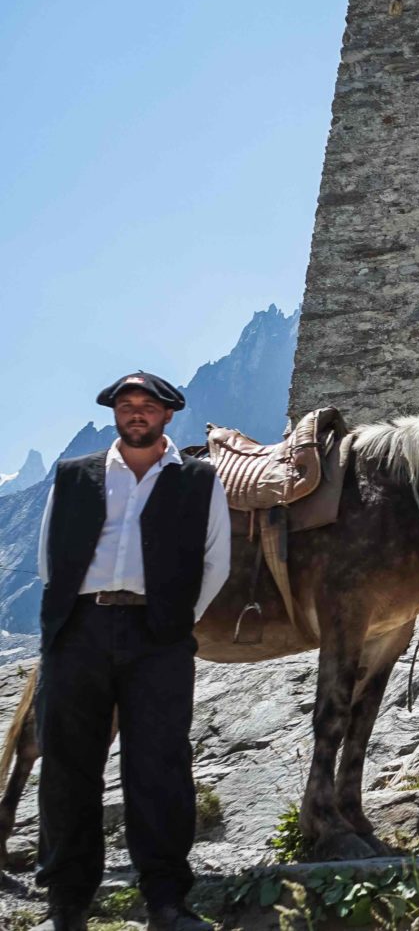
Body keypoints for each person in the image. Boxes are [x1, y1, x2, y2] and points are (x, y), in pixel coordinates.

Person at [33, 373, 230, 931]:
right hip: (80, 631)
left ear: (169, 415)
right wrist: (71, 620)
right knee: (69, 767)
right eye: (126, 405)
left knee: (161, 765)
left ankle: (166, 902)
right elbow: (52, 558)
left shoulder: (198, 480)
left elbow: (216, 562)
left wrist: (173, 622)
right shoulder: (74, 476)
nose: (136, 413)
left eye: (147, 406)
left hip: (157, 636)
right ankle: (66, 905)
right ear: (115, 413)